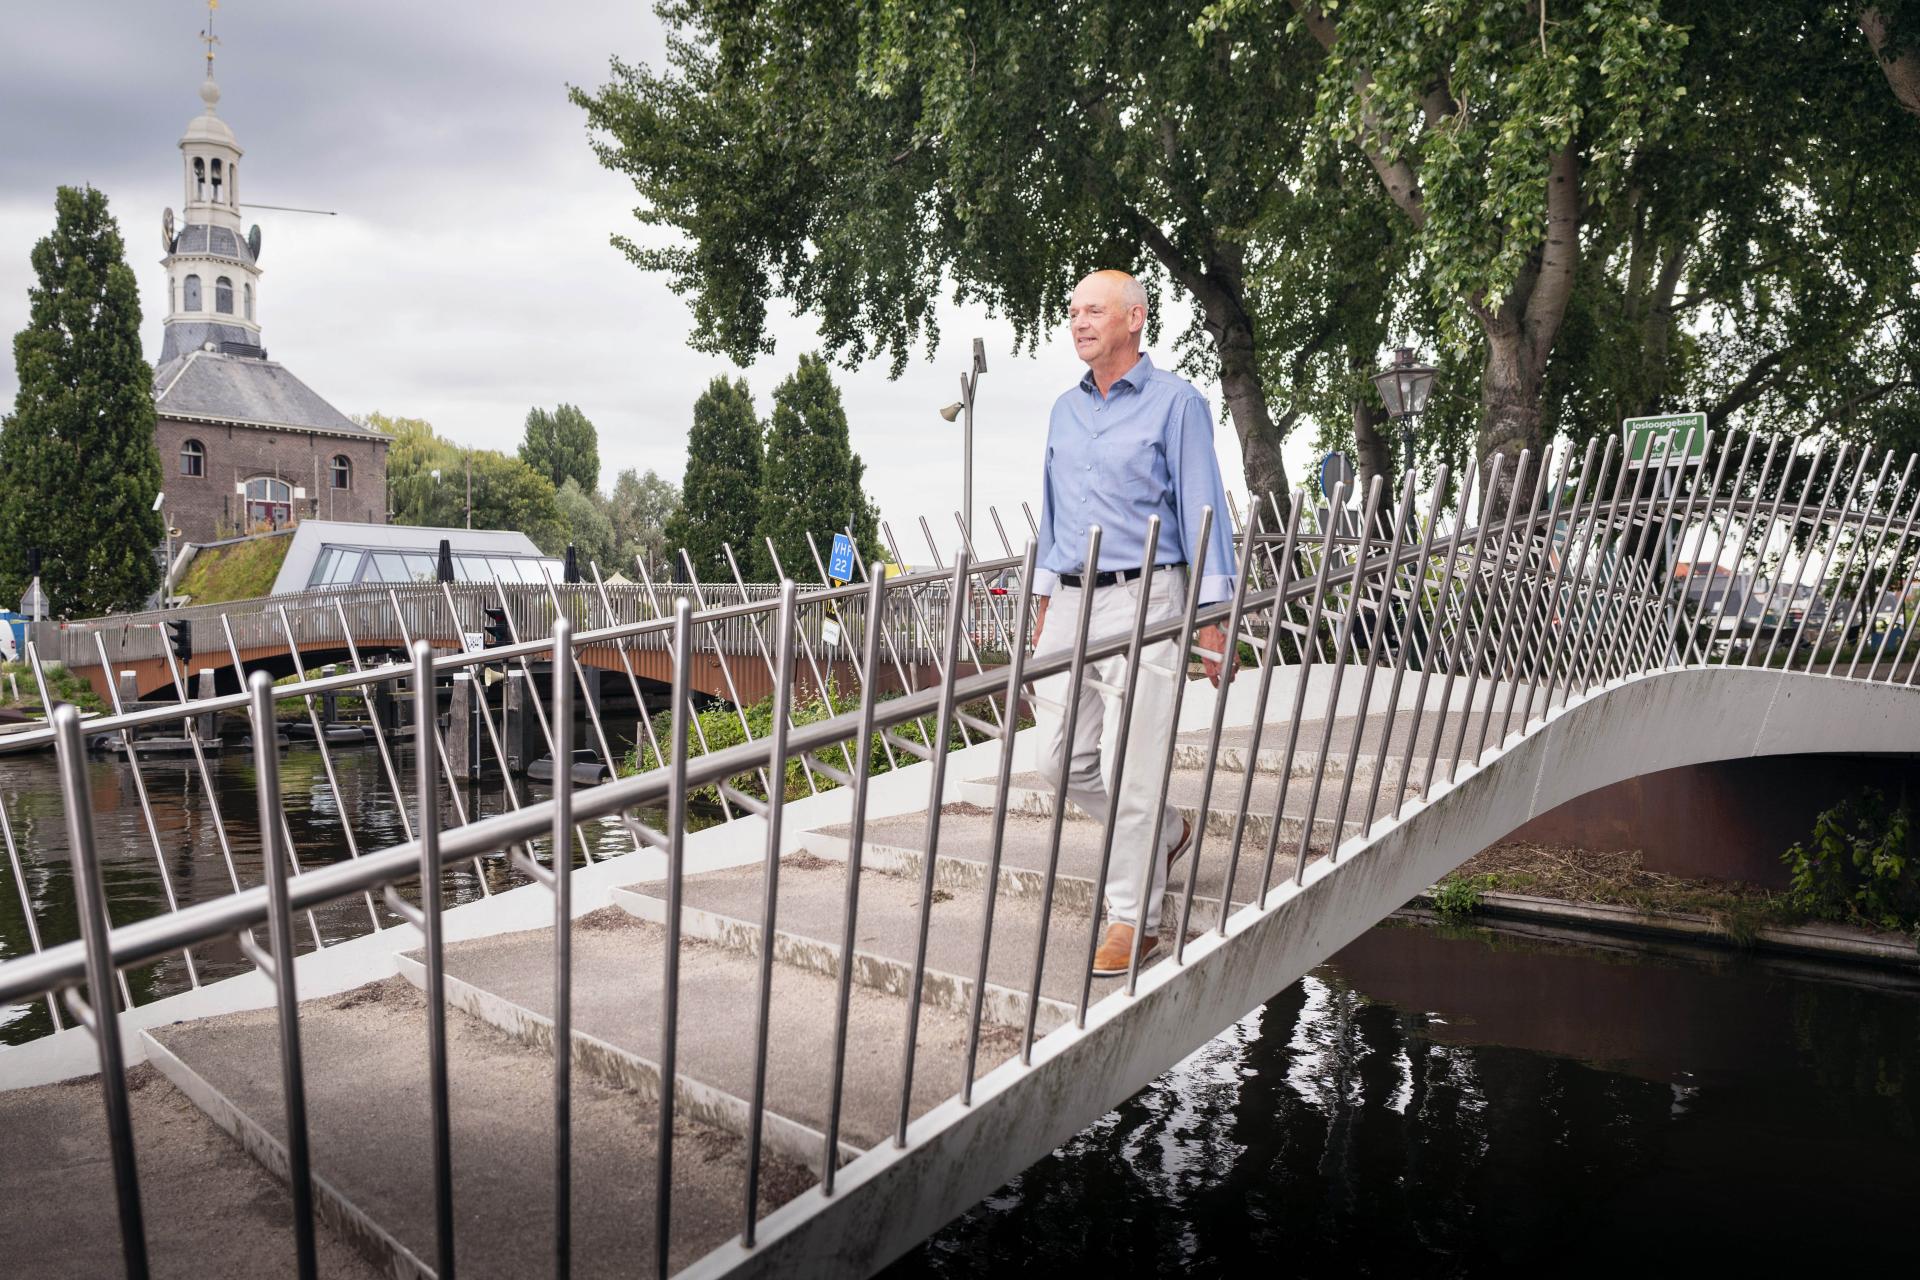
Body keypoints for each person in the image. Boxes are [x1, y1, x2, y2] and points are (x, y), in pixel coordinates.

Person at [1030, 269, 1237, 976]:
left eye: (1094, 310)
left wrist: (1211, 621)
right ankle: (1171, 833)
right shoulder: (1064, 409)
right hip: (1071, 597)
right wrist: (1042, 603)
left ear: (1135, 319)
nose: (1079, 321)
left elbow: (1204, 508)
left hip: (1147, 597)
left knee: (1132, 765)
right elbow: (1052, 511)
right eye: (1073, 310)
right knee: (1058, 759)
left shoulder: (1176, 404)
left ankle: (1132, 918)